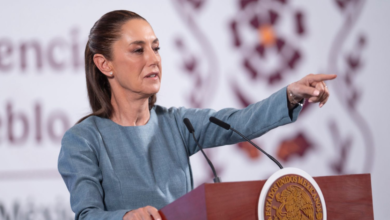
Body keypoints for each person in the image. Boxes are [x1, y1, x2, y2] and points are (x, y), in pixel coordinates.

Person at [57, 10, 336, 220]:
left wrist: (290, 94)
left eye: (155, 48)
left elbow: (241, 122)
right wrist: (125, 217)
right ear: (104, 64)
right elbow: (87, 215)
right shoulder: (82, 140)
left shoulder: (179, 124)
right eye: (138, 50)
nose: (153, 59)